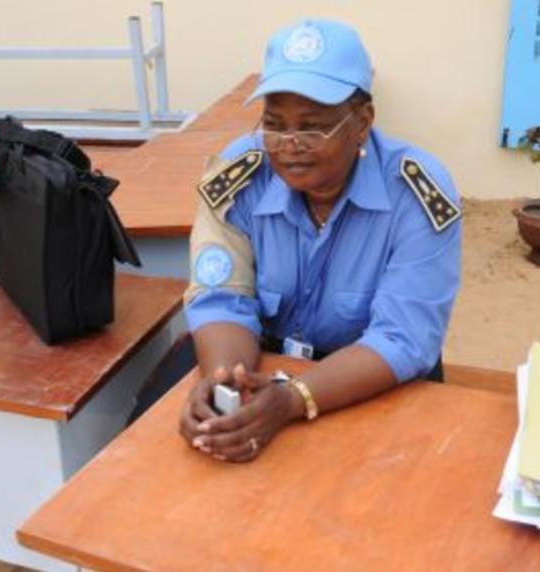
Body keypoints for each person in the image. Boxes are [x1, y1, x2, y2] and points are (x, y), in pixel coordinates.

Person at [179, 18, 462, 462]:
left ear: (362, 122)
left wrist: (294, 399)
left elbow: (404, 337)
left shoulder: (416, 193)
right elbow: (222, 299)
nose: (289, 144)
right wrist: (226, 385)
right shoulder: (240, 176)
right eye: (274, 124)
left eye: (312, 127)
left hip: (373, 377)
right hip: (263, 361)